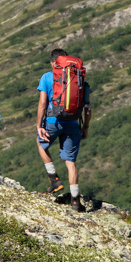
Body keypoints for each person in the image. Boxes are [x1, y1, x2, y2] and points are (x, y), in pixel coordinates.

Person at [37, 48, 91, 212]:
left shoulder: (47, 77)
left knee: (41, 145)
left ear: (53, 63)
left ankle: (54, 180)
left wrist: (39, 125)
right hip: (73, 122)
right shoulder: (80, 79)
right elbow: (87, 108)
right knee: (71, 162)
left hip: (52, 121)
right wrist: (85, 127)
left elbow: (42, 104)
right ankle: (75, 201)